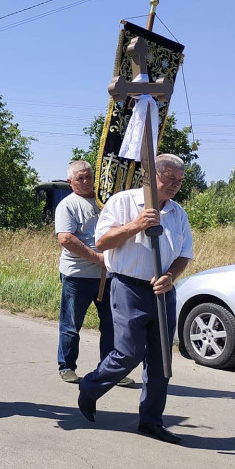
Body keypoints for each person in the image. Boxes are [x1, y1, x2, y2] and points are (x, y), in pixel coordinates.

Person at [77, 154, 194, 444]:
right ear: (152, 176)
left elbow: (184, 254)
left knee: (161, 360)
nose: (176, 185)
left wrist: (171, 276)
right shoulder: (123, 202)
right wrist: (137, 224)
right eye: (170, 179)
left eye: (180, 181)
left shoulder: (178, 213)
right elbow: (102, 242)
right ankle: (91, 387)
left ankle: (151, 420)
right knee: (129, 352)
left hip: (162, 291)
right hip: (128, 286)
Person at [55, 160, 135, 388]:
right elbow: (66, 239)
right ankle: (67, 366)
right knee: (71, 324)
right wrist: (98, 258)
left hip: (109, 276)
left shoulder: (106, 202)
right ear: (71, 182)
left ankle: (109, 370)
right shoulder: (68, 205)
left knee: (111, 324)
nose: (86, 181)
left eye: (89, 176)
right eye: (80, 178)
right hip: (78, 275)